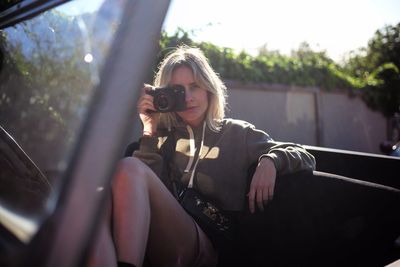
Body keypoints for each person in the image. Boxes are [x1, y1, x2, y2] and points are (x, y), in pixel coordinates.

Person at [88, 45, 316, 267]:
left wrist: (270, 160)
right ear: (165, 94)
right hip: (163, 237)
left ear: (208, 88)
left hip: (209, 245)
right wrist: (149, 129)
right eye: (178, 90)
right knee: (93, 200)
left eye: (194, 86)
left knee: (128, 168)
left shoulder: (236, 132)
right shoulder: (164, 136)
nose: (188, 97)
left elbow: (305, 156)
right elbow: (145, 190)